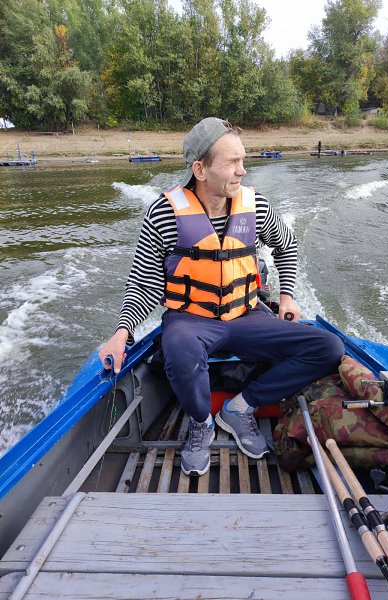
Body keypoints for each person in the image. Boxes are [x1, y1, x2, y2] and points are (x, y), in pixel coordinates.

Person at [99, 117, 344, 476]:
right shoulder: (164, 214)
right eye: (232, 162)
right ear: (200, 169)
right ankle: (201, 423)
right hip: (191, 320)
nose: (242, 170)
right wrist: (122, 332)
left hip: (247, 315)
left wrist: (287, 295)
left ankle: (241, 407)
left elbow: (286, 244)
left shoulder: (255, 206)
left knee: (328, 348)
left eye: (242, 160)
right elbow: (143, 283)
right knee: (178, 347)